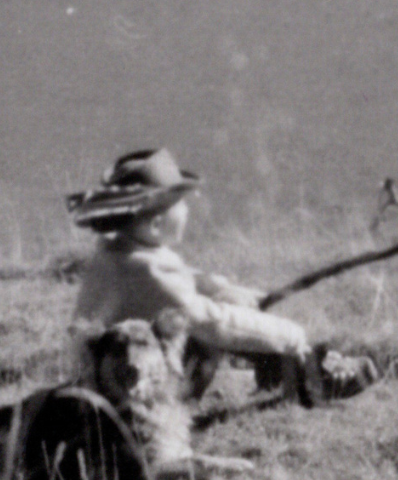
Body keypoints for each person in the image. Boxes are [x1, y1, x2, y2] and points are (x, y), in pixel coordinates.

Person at [64, 148, 375, 412]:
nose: (187, 207)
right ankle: (310, 378)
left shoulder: (119, 253)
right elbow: (216, 323)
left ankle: (280, 370)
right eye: (181, 203)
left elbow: (186, 281)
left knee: (222, 306)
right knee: (217, 326)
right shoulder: (143, 272)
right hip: (130, 398)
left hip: (107, 387)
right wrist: (292, 334)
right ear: (157, 224)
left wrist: (226, 288)